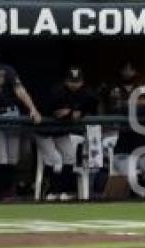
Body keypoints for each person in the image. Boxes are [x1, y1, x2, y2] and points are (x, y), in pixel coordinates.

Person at [100, 62, 145, 192]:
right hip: (123, 154)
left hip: (144, 154)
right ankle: (132, 197)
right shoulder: (116, 91)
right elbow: (119, 108)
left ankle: (144, 194)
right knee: (130, 175)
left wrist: (141, 106)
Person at [0, 44, 42, 200]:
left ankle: (10, 192)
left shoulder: (5, 69)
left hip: (10, 113)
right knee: (0, 157)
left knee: (12, 157)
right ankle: (3, 193)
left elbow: (19, 90)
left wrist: (33, 108)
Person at [35, 67, 98, 201]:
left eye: (77, 81)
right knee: (54, 160)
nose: (75, 85)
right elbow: (57, 113)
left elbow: (92, 106)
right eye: (72, 81)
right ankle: (50, 192)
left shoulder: (86, 92)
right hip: (44, 131)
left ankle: (64, 191)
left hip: (61, 132)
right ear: (66, 81)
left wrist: (80, 112)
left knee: (70, 157)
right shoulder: (56, 92)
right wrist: (70, 113)